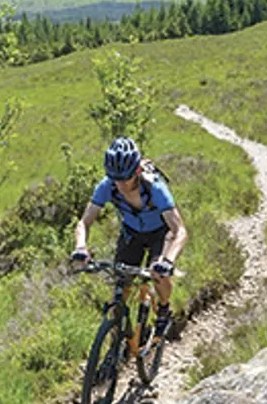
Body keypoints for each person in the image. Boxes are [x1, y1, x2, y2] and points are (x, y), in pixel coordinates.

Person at [72, 136, 187, 339]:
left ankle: (163, 309)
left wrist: (168, 261)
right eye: (116, 178)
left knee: (159, 274)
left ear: (137, 171)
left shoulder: (155, 188)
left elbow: (179, 231)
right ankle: (118, 339)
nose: (121, 184)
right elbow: (84, 222)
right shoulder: (108, 186)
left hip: (160, 233)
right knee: (120, 288)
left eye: (126, 178)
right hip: (132, 233)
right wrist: (81, 247)